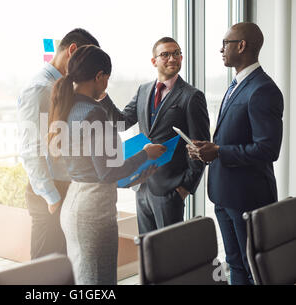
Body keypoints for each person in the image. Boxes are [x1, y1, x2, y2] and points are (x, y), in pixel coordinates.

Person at [48, 45, 166, 285]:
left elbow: (92, 169)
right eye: (107, 79)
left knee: (85, 279)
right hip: (93, 210)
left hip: (76, 202)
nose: (107, 84)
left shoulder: (68, 106)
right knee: (98, 282)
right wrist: (145, 154)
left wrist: (135, 175)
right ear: (100, 76)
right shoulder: (94, 112)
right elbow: (108, 171)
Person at [187, 22, 283, 285]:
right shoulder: (236, 84)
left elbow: (267, 149)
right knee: (234, 263)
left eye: (226, 43)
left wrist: (218, 151)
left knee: (254, 267)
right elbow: (231, 136)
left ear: (241, 46)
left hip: (247, 197)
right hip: (223, 193)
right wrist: (207, 149)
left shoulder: (263, 89)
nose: (221, 49)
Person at [100, 37, 210, 234]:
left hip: (170, 188)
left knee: (170, 253)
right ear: (154, 61)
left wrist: (185, 187)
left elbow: (200, 146)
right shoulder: (144, 90)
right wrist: (102, 97)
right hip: (141, 185)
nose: (172, 58)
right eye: (165, 54)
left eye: (176, 53)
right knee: (147, 248)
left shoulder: (192, 96)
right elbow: (123, 122)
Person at [17, 29, 100, 260]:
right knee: (46, 270)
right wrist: (51, 197)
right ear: (72, 51)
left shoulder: (62, 86)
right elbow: (30, 149)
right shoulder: (39, 88)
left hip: (67, 186)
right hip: (50, 192)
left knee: (64, 266)